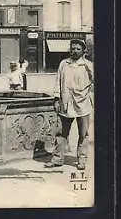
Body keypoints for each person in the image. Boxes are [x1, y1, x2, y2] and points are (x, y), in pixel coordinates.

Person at [45, 39, 94, 171]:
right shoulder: (64, 64)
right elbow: (58, 81)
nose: (74, 51)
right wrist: (56, 99)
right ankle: (57, 159)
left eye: (78, 49)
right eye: (72, 48)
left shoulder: (88, 65)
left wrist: (87, 92)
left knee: (83, 134)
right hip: (66, 103)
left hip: (82, 104)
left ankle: (81, 160)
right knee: (61, 132)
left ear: (84, 51)